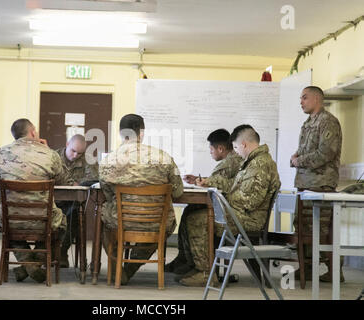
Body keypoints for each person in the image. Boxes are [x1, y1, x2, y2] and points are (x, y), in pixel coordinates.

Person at [177, 125, 280, 287]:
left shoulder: (259, 165)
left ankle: (205, 273)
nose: (236, 152)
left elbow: (249, 201)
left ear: (244, 144)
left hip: (248, 219)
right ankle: (200, 269)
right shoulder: (253, 162)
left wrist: (222, 199)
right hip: (241, 214)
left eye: (237, 147)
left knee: (197, 219)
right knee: (196, 213)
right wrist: (209, 182)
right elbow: (234, 185)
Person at [0, 118, 66, 283]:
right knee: (61, 222)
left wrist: (3, 183)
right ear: (32, 132)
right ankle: (35, 263)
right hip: (42, 220)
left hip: (10, 220)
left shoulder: (2, 152)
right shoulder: (50, 154)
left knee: (10, 226)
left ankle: (28, 266)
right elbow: (62, 180)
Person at [99, 114, 184, 285]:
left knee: (104, 219)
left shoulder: (108, 161)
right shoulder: (164, 158)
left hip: (121, 221)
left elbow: (107, 194)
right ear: (142, 133)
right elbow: (178, 192)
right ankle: (129, 270)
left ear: (121, 134)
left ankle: (117, 270)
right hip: (155, 223)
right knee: (164, 225)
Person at [165, 129, 242, 283]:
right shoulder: (230, 161)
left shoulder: (231, 162)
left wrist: (206, 181)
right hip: (226, 206)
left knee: (194, 217)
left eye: (211, 149)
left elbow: (226, 184)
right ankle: (187, 260)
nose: (210, 152)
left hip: (230, 211)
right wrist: (198, 180)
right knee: (189, 210)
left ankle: (203, 270)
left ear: (220, 148)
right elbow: (220, 181)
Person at [290, 86, 343, 282]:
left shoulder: (328, 122)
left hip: (321, 185)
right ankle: (307, 268)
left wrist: (299, 160)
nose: (301, 102)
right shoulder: (308, 123)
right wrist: (295, 157)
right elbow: (304, 151)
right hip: (305, 184)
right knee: (302, 228)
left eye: (304, 98)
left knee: (322, 231)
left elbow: (325, 153)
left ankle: (334, 271)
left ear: (316, 99)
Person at [55, 134, 99, 268]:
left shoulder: (87, 160)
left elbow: (94, 178)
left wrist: (79, 183)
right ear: (67, 144)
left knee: (74, 214)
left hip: (72, 202)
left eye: (79, 153)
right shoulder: (54, 157)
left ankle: (61, 251)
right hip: (53, 200)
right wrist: (71, 183)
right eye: (73, 151)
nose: (75, 155)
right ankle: (52, 252)